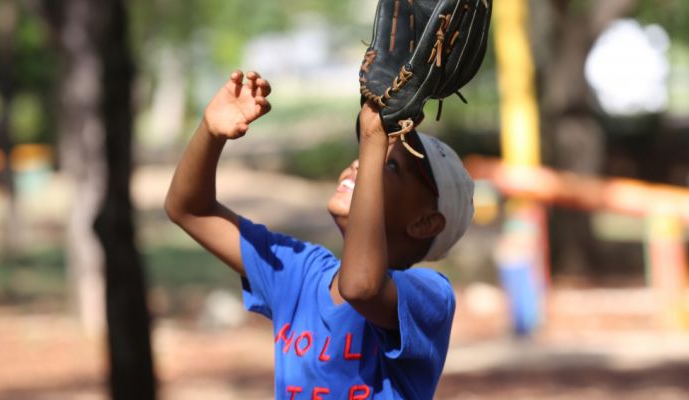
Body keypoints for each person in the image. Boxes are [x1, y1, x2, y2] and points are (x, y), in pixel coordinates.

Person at [165, 70, 474, 399]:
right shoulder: (300, 274)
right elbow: (189, 210)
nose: (361, 163)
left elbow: (361, 288)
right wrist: (211, 132)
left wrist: (373, 138)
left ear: (424, 223)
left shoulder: (430, 296)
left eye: (391, 165)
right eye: (366, 152)